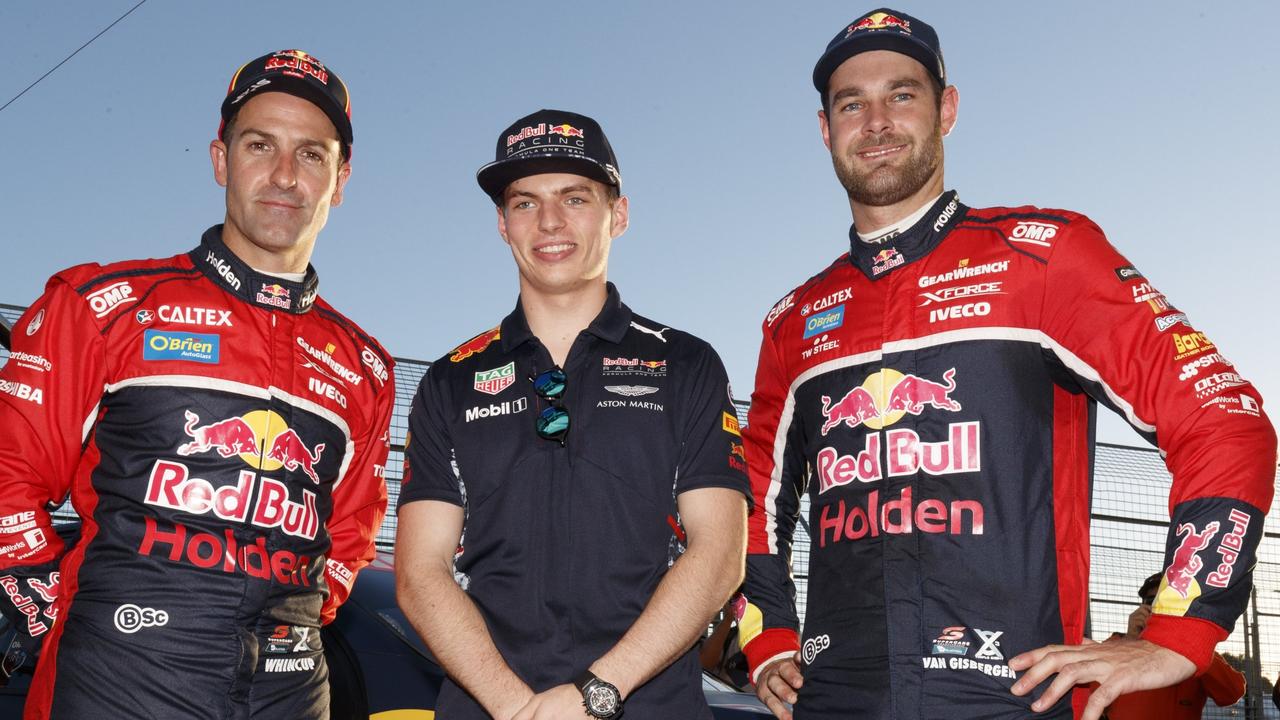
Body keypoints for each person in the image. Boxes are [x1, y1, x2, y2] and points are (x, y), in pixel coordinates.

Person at [737, 8, 1276, 720]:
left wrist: (1181, 630)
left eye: (901, 94)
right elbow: (749, 494)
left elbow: (1224, 418)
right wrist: (766, 633)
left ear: (947, 110)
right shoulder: (794, 319)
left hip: (1013, 696)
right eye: (851, 103)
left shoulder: (1045, 256)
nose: (876, 121)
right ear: (824, 128)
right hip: (834, 700)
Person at [0, 49, 396, 719]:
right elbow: (10, 469)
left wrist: (294, 625)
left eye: (311, 155)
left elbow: (352, 529)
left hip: (290, 695)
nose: (282, 175)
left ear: (340, 179)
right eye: (259, 144)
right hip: (119, 683)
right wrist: (43, 597)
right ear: (220, 159)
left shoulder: (365, 365)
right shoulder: (104, 306)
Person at [395, 109, 750, 720]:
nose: (550, 222)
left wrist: (598, 691)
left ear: (619, 214)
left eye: (574, 197)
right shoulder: (449, 380)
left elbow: (719, 551)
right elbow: (419, 573)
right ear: (502, 224)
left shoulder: (686, 363)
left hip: (646, 704)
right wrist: (516, 708)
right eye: (525, 202)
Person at [1104, 574, 1244, 719]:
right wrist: (1129, 643)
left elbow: (1232, 693)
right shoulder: (1117, 643)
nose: (1159, 608)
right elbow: (1087, 693)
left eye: (1167, 601)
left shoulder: (1195, 651)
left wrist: (1194, 642)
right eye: (1153, 601)